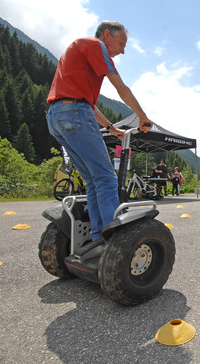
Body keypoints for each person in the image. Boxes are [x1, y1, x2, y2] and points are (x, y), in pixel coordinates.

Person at [46, 21, 152, 250]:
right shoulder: (96, 46)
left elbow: (87, 103)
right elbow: (121, 88)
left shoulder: (78, 50)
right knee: (106, 178)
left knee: (94, 180)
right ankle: (115, 241)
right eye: (121, 43)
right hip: (75, 113)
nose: (123, 50)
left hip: (57, 115)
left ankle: (97, 238)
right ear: (107, 35)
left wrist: (111, 127)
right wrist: (143, 117)